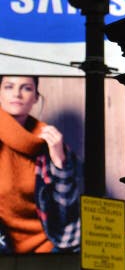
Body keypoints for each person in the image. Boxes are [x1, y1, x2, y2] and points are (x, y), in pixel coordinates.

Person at [0, 76, 80, 253]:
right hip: (5, 246)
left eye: (26, 88)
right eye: (8, 87)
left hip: (49, 243)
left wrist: (60, 161)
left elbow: (66, 212)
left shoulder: (49, 141)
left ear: (36, 97)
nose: (17, 94)